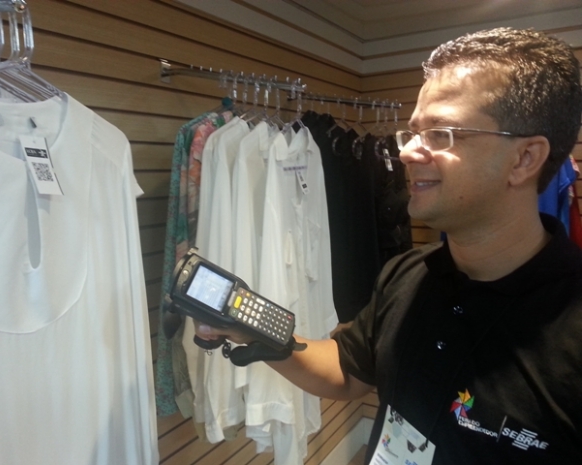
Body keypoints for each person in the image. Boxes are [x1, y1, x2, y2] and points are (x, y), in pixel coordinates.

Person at [195, 27, 582, 464]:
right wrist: (265, 336)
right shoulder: (407, 274)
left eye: (440, 133)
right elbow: (348, 369)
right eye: (413, 132)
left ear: (525, 158)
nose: (407, 153)